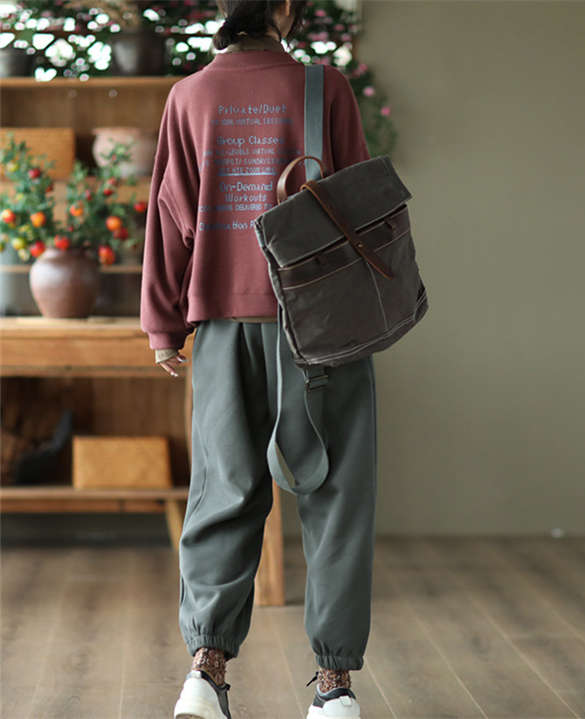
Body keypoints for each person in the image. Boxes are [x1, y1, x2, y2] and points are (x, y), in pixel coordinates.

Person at [139, 1, 377, 718]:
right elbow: (363, 209)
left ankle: (204, 675)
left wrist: (163, 325)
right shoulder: (324, 87)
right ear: (284, 8)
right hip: (322, 328)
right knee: (336, 499)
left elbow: (170, 214)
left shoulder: (189, 95)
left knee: (223, 493)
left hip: (223, 323)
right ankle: (334, 689)